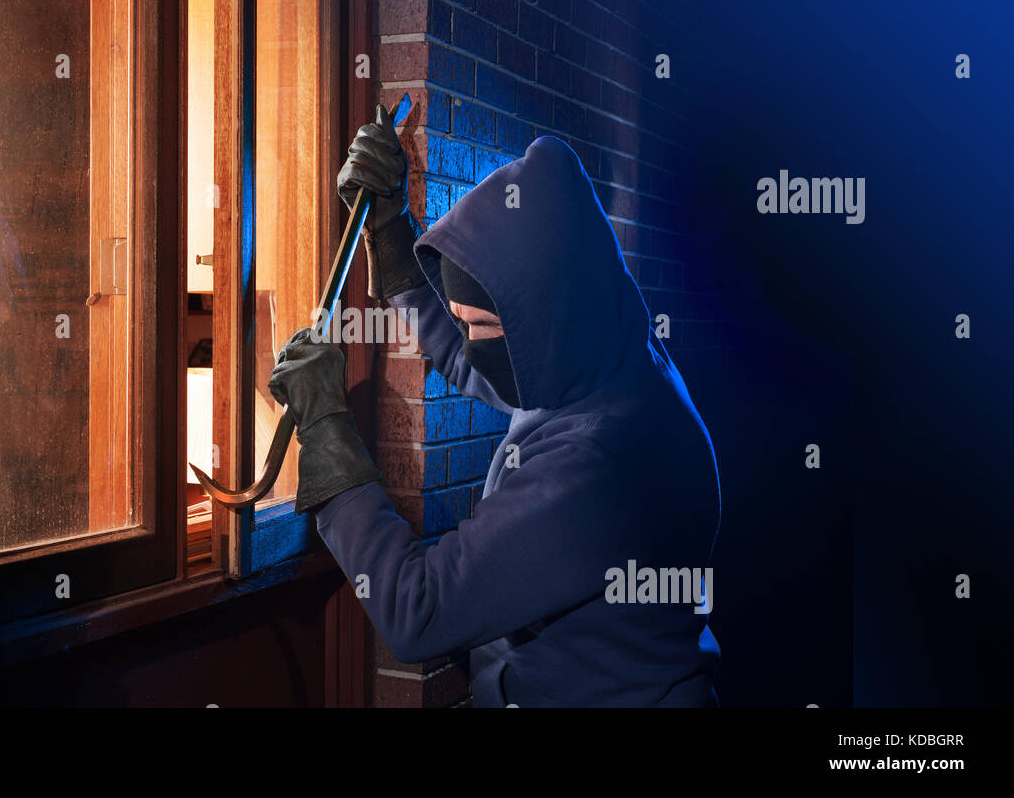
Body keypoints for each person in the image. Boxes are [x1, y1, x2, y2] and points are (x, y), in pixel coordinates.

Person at [268, 105, 722, 706]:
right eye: (464, 319)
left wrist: (326, 427)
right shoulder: (607, 354)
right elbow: (477, 358)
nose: (470, 342)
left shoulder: (602, 461)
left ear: (543, 321)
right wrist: (388, 230)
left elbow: (418, 609)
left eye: (482, 324)